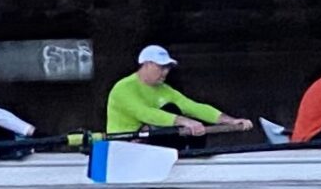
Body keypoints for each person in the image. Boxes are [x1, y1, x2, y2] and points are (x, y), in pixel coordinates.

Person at [105, 44, 251, 143]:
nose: (166, 72)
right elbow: (144, 113)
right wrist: (184, 121)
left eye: (168, 67)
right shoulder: (123, 88)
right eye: (161, 67)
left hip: (147, 144)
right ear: (147, 64)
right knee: (171, 114)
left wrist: (230, 120)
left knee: (173, 109)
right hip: (122, 144)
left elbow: (192, 106)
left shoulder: (163, 89)